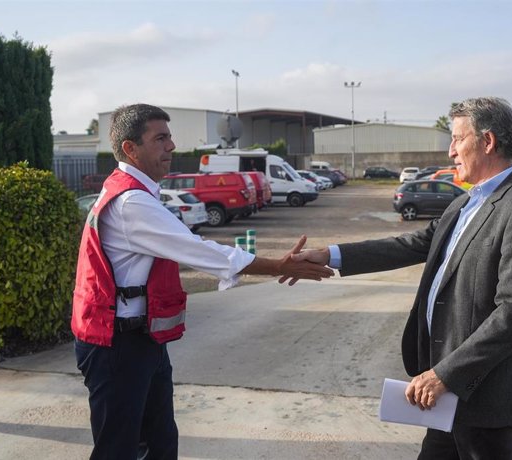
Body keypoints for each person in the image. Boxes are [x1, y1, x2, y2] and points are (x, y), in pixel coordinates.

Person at [288, 97, 512, 459]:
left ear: (487, 142)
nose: (450, 152)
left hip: (480, 397)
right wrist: (330, 255)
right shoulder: (464, 203)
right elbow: (408, 245)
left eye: (458, 139)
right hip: (444, 394)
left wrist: (446, 374)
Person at [72, 103, 333, 460]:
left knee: (160, 441)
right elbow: (200, 250)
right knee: (119, 448)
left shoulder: (129, 190)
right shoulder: (132, 202)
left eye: (170, 136)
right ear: (130, 149)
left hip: (138, 339)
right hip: (118, 346)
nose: (172, 146)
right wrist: (277, 265)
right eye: (160, 138)